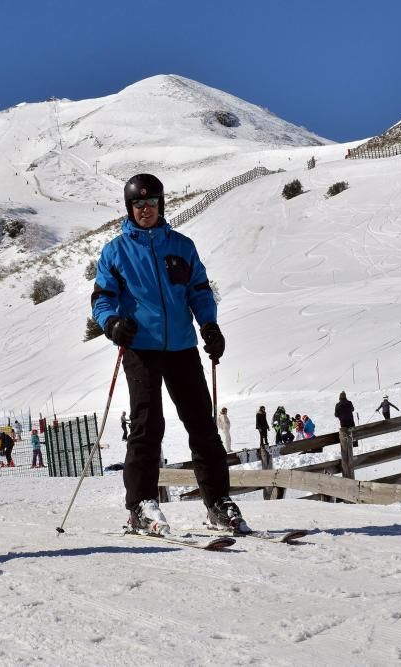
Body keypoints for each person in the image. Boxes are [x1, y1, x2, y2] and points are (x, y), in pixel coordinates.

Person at [91, 172, 248, 535]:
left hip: (181, 345)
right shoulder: (116, 251)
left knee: (202, 425)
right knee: (148, 425)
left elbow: (199, 291)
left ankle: (217, 503)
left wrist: (209, 325)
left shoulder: (181, 246)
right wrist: (112, 323)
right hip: (139, 347)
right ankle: (141, 505)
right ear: (129, 209)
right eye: (138, 205)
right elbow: (102, 298)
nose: (145, 210)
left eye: (151, 204)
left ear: (161, 205)